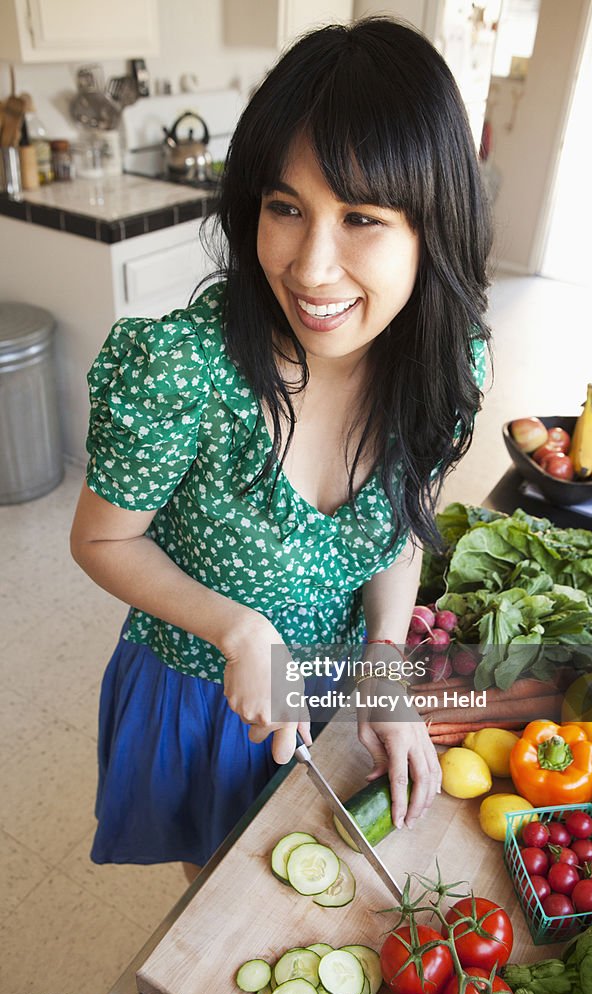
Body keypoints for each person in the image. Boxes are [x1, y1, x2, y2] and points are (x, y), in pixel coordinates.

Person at [70, 17, 492, 882]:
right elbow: (100, 537)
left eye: (362, 218)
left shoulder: (447, 366)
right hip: (198, 684)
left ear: (432, 229)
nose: (309, 267)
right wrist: (237, 630)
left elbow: (400, 526)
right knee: (218, 890)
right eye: (285, 207)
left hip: (333, 680)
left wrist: (383, 666)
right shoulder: (181, 369)